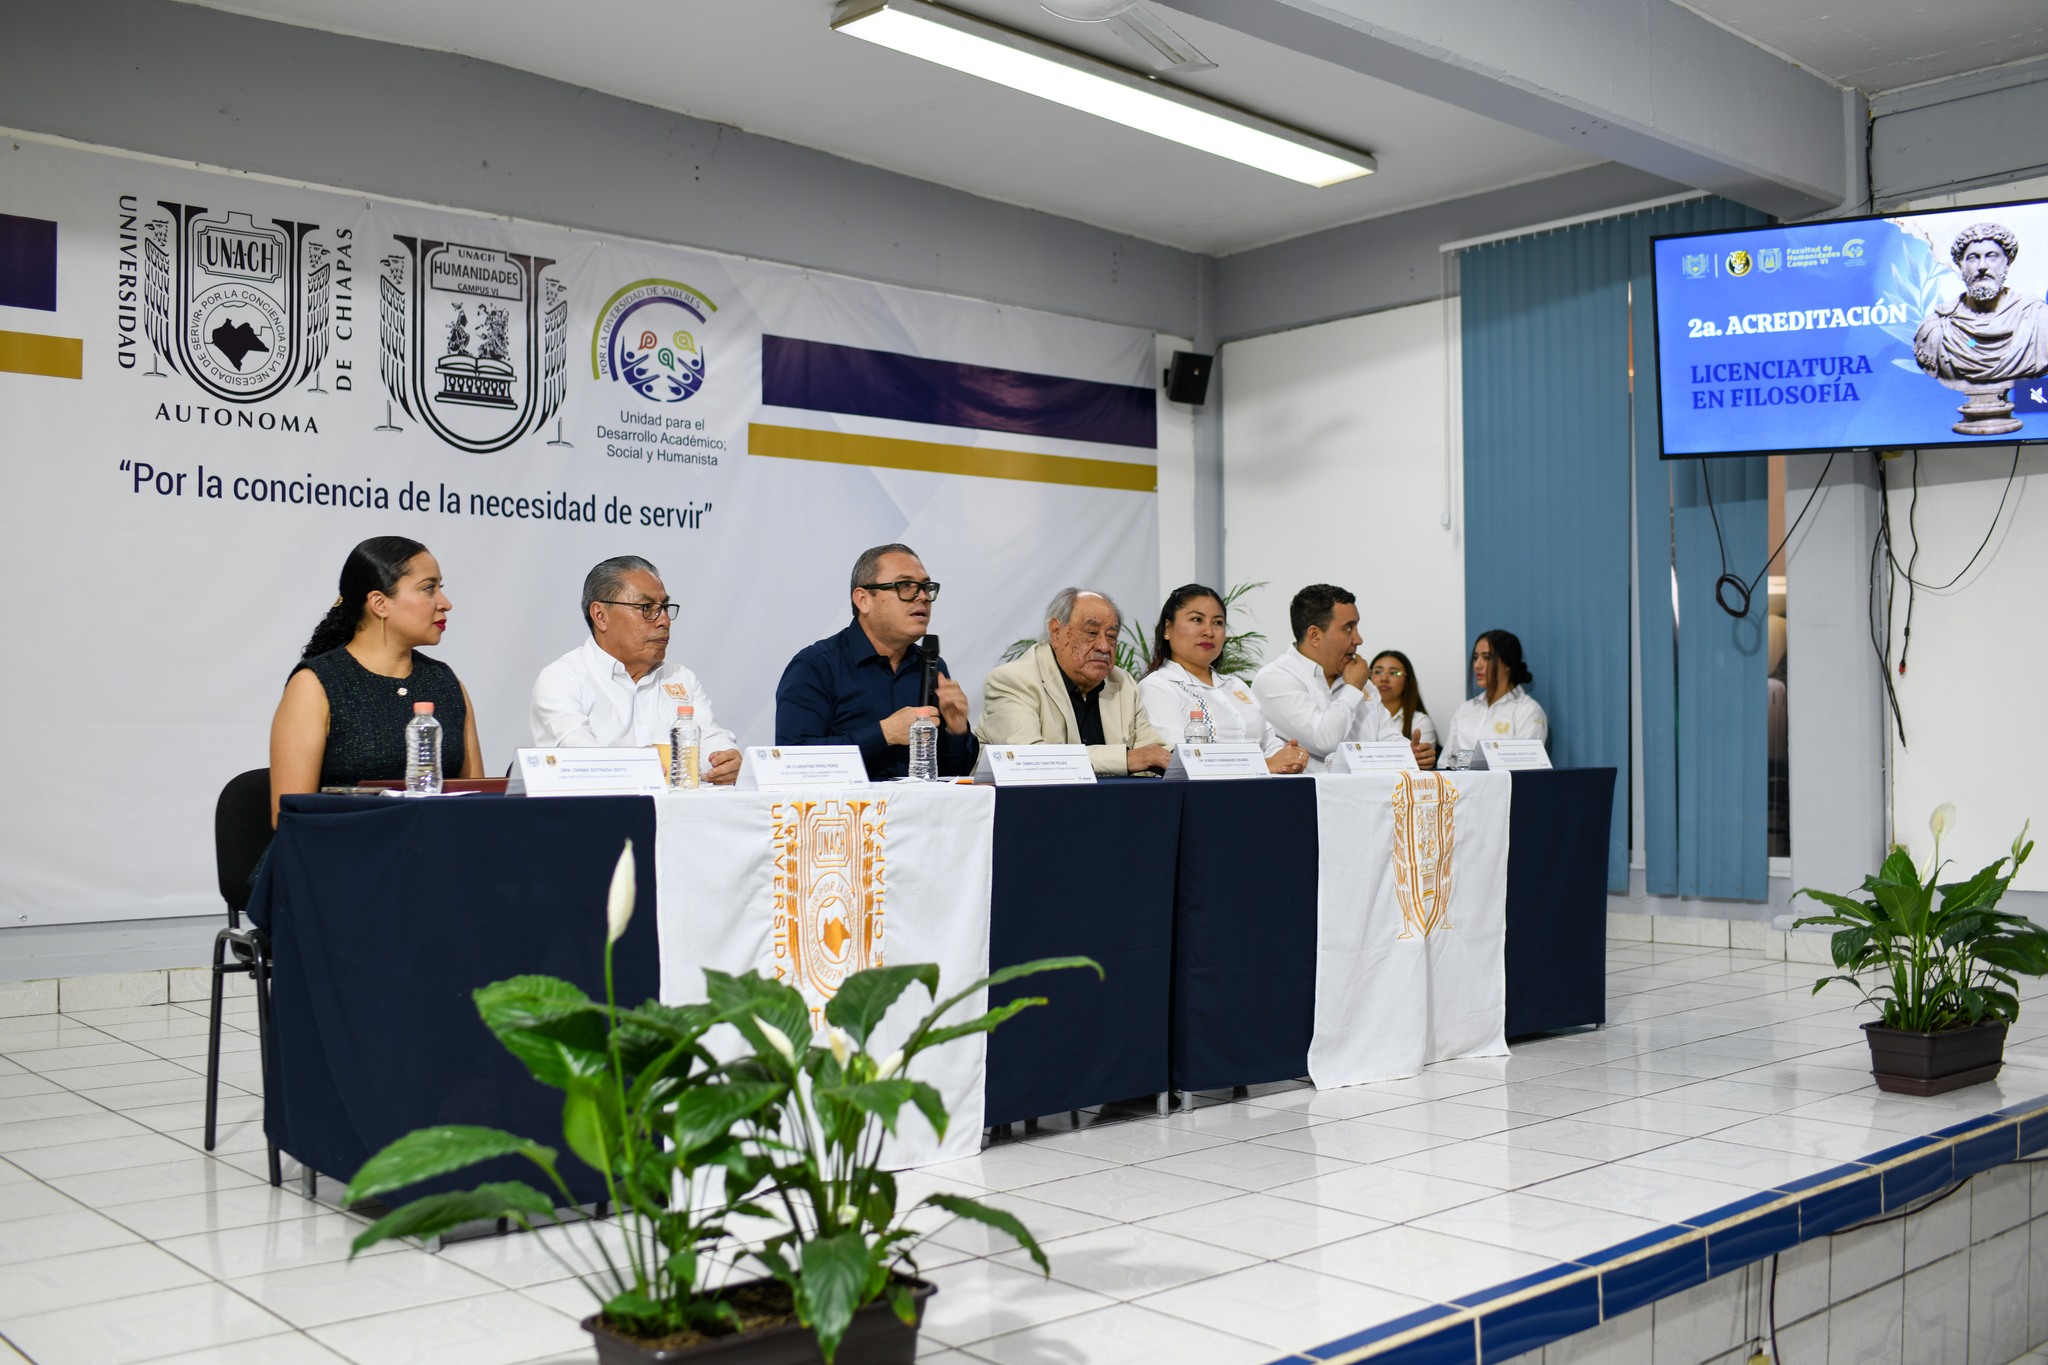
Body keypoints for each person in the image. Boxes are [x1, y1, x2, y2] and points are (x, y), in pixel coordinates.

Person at [269, 536, 483, 822]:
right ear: (380, 603)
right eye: (428, 588)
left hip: (435, 845)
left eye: (439, 588)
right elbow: (290, 817)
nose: (445, 603)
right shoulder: (315, 685)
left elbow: (479, 802)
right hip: (346, 847)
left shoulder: (445, 683)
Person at [529, 555, 740, 783]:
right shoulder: (562, 679)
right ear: (600, 616)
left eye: (664, 607)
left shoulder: (681, 677)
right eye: (646, 608)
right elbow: (580, 757)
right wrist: (637, 764)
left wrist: (724, 760)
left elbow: (710, 738)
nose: (664, 621)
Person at [776, 543, 978, 779]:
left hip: (920, 802)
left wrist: (957, 730)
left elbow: (954, 773)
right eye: (905, 586)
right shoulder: (815, 666)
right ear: (863, 600)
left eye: (926, 587)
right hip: (848, 803)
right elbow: (792, 760)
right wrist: (884, 734)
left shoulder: (931, 667)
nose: (923, 596)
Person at [979, 588, 1169, 775]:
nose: (1104, 647)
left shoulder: (1122, 683)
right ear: (1056, 631)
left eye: (1111, 636)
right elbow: (1027, 759)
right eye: (1091, 632)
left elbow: (1152, 753)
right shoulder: (1014, 680)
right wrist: (1125, 759)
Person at [1137, 583, 1308, 774]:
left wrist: (1289, 757)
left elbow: (1269, 743)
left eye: (1218, 622)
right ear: (1168, 629)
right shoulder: (1157, 686)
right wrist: (1266, 765)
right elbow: (1180, 759)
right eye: (1196, 619)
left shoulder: (1236, 685)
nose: (1209, 632)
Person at [1251, 584, 1403, 771]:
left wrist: (1412, 752)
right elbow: (1324, 741)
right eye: (1348, 628)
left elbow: (1389, 738)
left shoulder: (1361, 681)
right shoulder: (1274, 679)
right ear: (1315, 636)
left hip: (1368, 789)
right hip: (1310, 790)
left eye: (1356, 626)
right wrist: (1352, 689)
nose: (1358, 639)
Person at [1912, 222, 2048, 386]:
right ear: (1961, 265)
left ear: (2007, 262)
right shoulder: (1936, 329)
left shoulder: (2038, 319)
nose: (1982, 266)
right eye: (1973, 258)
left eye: (1992, 256)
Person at [1442, 629, 1547, 761]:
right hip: (1459, 776)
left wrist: (1466, 761)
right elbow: (1445, 762)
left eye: (1486, 657)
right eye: (1475, 657)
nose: (1477, 665)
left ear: (1508, 664)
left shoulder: (1528, 711)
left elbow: (1524, 763)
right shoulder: (1465, 709)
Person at [1366, 650, 1439, 769]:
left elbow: (1420, 765)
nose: (1384, 678)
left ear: (1407, 680)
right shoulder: (1360, 717)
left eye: (1394, 673)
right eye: (1378, 672)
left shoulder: (1420, 722)